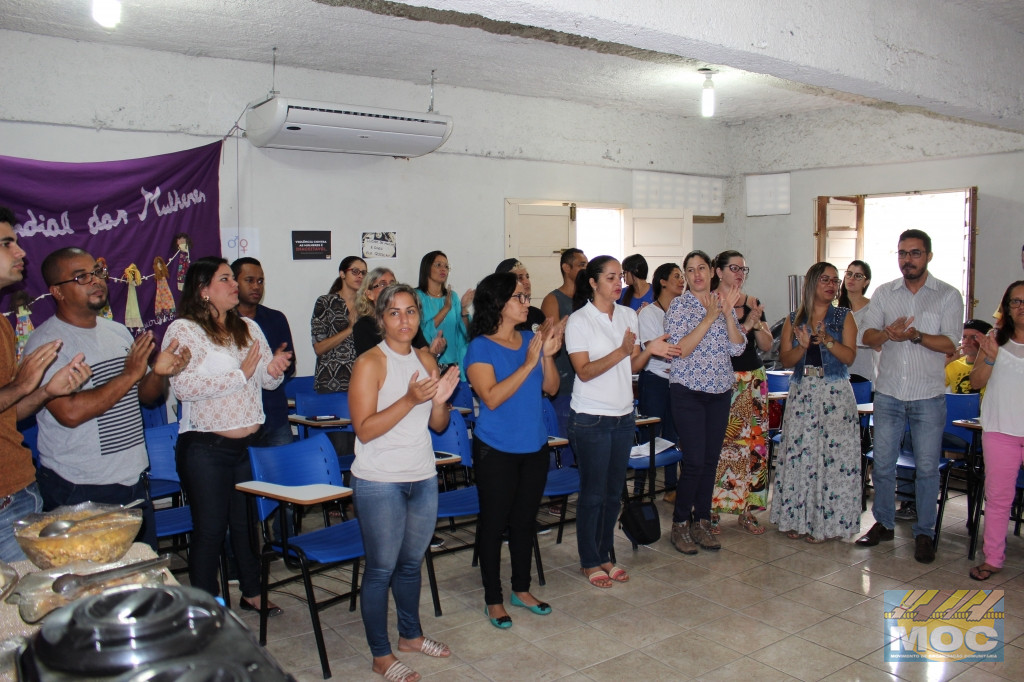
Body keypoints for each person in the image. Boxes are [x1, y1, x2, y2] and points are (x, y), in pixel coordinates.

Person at [27, 247, 191, 550]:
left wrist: (159, 373)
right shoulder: (47, 344)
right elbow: (70, 413)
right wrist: (129, 374)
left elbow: (145, 396)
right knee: (95, 587)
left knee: (139, 577)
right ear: (57, 292)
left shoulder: (117, 332)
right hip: (79, 487)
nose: (96, 281)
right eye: (82, 277)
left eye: (98, 272)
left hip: (132, 479)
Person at [164, 257, 291, 612]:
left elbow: (265, 380)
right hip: (205, 448)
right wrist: (240, 374)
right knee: (210, 530)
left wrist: (274, 369)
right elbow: (184, 387)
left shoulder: (248, 327)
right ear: (203, 291)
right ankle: (204, 607)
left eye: (233, 279)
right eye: (225, 279)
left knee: (245, 524)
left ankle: (251, 592)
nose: (235, 284)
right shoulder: (183, 330)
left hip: (247, 446)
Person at [348, 283, 457, 682]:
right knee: (380, 569)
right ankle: (381, 655)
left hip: (422, 475)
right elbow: (364, 430)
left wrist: (440, 399)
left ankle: (410, 636)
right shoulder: (370, 364)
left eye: (411, 311)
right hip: (379, 481)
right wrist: (410, 399)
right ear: (381, 319)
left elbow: (438, 425)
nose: (404, 320)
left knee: (411, 564)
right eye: (394, 313)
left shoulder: (427, 357)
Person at [565, 256, 675, 587]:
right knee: (593, 493)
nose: (618, 283)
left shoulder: (628, 315)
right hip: (591, 418)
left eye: (618, 278)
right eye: (610, 277)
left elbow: (633, 367)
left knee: (614, 493)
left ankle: (606, 554)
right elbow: (584, 371)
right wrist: (622, 349)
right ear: (593, 283)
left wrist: (649, 350)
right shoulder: (579, 321)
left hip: (623, 416)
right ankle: (589, 560)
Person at [856, 229, 962, 564]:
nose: (908, 260)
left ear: (928, 256)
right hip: (888, 393)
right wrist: (888, 333)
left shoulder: (947, 295)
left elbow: (950, 344)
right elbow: (866, 334)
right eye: (902, 253)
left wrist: (915, 336)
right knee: (883, 464)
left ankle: (924, 533)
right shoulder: (885, 294)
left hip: (928, 396)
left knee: (928, 468)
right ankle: (884, 523)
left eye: (915, 253)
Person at [466, 272, 561, 627]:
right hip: (497, 449)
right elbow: (490, 398)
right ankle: (493, 597)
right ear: (498, 303)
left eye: (527, 297)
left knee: (524, 521)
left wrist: (547, 356)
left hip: (533, 445)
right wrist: (527, 363)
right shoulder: (481, 347)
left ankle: (521, 589)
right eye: (520, 298)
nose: (527, 304)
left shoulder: (529, 339)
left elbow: (551, 389)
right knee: (493, 523)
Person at [0, 209, 92, 562]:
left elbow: (9, 412)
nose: (21, 252)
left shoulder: (3, 326)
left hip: (19, 492)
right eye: (7, 243)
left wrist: (44, 391)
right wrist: (22, 383)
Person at [769, 262, 861, 543]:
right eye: (825, 279)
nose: (832, 284)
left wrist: (829, 341)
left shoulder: (845, 317)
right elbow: (786, 360)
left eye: (835, 280)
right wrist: (805, 346)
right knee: (802, 454)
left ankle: (829, 524)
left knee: (833, 458)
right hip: (804, 392)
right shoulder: (793, 319)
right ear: (811, 283)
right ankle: (797, 519)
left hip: (834, 392)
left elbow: (849, 358)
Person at [664, 250, 745, 555]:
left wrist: (725, 314)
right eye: (690, 270)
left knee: (710, 462)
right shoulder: (679, 305)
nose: (696, 275)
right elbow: (680, 349)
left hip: (719, 391)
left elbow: (737, 349)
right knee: (695, 461)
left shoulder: (723, 303)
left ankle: (701, 521)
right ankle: (680, 524)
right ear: (685, 276)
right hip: (688, 391)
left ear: (712, 271)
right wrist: (709, 318)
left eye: (701, 268)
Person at [710, 250, 773, 534]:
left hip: (753, 380)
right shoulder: (708, 302)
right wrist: (744, 326)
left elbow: (768, 345)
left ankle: (747, 509)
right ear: (718, 271)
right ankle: (710, 508)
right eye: (733, 268)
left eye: (743, 269)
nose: (739, 273)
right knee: (718, 445)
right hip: (721, 379)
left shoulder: (753, 303)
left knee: (753, 446)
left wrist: (757, 323)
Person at [967, 281, 1024, 581]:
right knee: (999, 498)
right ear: (1006, 307)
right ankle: (993, 558)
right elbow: (976, 382)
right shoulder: (995, 339)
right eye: (1015, 302)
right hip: (1001, 429)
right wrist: (989, 357)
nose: (1021, 307)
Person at [232, 257, 296, 447]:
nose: (256, 286)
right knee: (248, 476)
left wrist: (276, 367)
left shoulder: (276, 318)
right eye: (249, 280)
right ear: (234, 283)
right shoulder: (224, 323)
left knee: (284, 474)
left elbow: (290, 365)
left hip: (275, 415)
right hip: (241, 418)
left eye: (260, 281)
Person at [635, 262, 684, 501]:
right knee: (649, 434)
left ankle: (672, 488)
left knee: (673, 433)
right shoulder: (649, 312)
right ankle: (640, 490)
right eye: (676, 276)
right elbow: (652, 347)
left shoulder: (683, 312)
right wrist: (673, 349)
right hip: (654, 379)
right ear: (662, 281)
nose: (682, 280)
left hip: (677, 380)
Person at [541, 248, 588, 440]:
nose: (585, 268)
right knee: (564, 437)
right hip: (564, 377)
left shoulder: (589, 299)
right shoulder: (553, 299)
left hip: (588, 377)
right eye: (581, 265)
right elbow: (551, 337)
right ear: (566, 268)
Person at [351, 268, 442, 357]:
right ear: (369, 294)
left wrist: (433, 353)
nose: (389, 287)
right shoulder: (363, 326)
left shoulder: (407, 320)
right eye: (382, 284)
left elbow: (425, 358)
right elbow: (369, 365)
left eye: (392, 283)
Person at [414, 251, 473, 378]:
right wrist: (445, 309)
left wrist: (463, 309)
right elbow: (420, 332)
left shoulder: (453, 297)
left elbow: (466, 334)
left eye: (446, 266)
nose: (443, 269)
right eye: (438, 265)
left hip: (454, 367)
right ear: (426, 268)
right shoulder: (416, 296)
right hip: (428, 364)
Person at [310, 256, 364, 393]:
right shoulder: (325, 303)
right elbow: (319, 348)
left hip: (363, 379)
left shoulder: (367, 305)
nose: (360, 276)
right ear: (342, 274)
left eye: (364, 273)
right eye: (355, 271)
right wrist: (350, 329)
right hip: (331, 381)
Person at [838, 260, 879, 384]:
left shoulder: (873, 308)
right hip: (839, 373)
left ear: (866, 282)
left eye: (858, 276)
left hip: (864, 373)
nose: (852, 279)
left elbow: (876, 343)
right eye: (849, 274)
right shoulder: (836, 309)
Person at [944, 318, 992, 396]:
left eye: (973, 337)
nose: (966, 341)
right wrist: (945, 363)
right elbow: (931, 388)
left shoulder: (992, 365)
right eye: (964, 337)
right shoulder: (953, 365)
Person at [494, 258, 545, 330]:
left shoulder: (536, 314)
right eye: (520, 278)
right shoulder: (494, 320)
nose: (527, 281)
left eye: (527, 277)